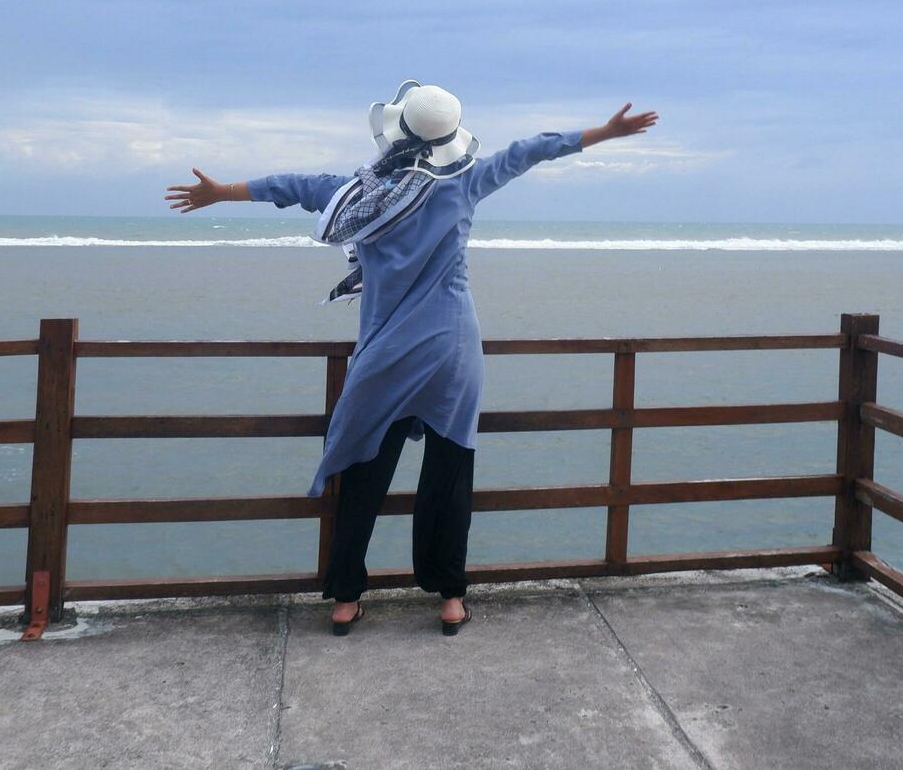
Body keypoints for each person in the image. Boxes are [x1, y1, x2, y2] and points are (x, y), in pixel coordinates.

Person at [165, 82, 658, 635]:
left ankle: (346, 598)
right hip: (452, 347)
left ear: (395, 132)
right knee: (449, 474)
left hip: (387, 352)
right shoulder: (465, 184)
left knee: (364, 471)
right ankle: (450, 598)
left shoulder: (360, 193)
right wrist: (607, 133)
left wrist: (220, 193)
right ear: (451, 138)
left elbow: (291, 186)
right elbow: (529, 149)